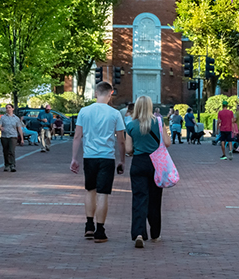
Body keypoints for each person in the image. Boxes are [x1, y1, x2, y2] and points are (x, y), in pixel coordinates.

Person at [70, 81, 126, 243]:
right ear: (111, 93)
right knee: (103, 194)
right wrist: (122, 160)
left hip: (89, 156)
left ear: (96, 93)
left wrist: (74, 158)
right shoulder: (114, 114)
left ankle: (89, 225)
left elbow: (77, 136)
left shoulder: (84, 111)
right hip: (106, 157)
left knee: (90, 190)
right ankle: (100, 230)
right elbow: (121, 140)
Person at [125, 95, 169, 248]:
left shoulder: (131, 125)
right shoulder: (158, 122)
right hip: (155, 163)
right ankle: (155, 234)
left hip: (138, 162)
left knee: (139, 198)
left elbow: (128, 149)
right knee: (155, 199)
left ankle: (138, 233)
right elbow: (167, 142)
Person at [0, 104, 25, 172]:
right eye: (7, 108)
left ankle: (12, 165)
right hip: (4, 137)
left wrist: (22, 138)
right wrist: (0, 128)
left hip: (13, 136)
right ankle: (6, 165)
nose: (8, 109)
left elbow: (19, 128)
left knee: (11, 151)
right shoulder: (3, 118)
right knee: (5, 151)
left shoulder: (16, 118)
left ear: (12, 109)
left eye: (9, 108)